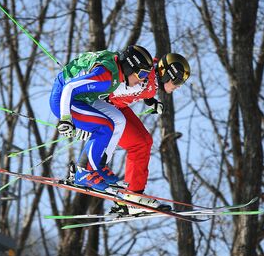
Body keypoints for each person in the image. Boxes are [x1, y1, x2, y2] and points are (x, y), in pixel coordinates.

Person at [49, 45, 155, 193]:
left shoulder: (117, 71)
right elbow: (70, 87)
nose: (141, 80)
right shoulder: (106, 76)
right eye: (142, 75)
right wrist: (66, 118)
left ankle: (98, 165)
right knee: (104, 127)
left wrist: (151, 100)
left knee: (119, 120)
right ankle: (83, 172)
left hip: (84, 98)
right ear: (130, 67)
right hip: (64, 100)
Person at [107, 52, 191, 214]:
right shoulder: (145, 82)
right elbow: (120, 83)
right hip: (106, 108)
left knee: (143, 142)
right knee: (139, 143)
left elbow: (149, 76)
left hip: (117, 107)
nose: (179, 86)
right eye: (178, 80)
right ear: (168, 75)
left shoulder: (153, 73)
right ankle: (131, 197)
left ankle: (131, 197)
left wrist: (150, 101)